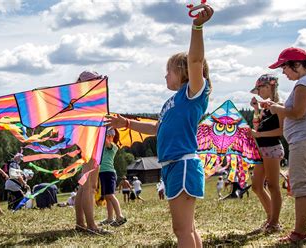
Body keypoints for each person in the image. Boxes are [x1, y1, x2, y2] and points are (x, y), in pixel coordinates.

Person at [106, 5, 213, 247]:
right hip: (174, 165)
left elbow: (196, 59)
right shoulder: (173, 101)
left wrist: (197, 27)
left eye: (168, 71)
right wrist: (127, 123)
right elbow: (157, 129)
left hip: (183, 163)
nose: (165, 76)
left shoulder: (193, 93)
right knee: (188, 228)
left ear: (183, 72)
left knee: (182, 229)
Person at [267, 47, 306, 242]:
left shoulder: (304, 83)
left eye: (284, 67)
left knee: (302, 187)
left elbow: (298, 112)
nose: (283, 72)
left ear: (296, 65)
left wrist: (278, 108)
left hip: (305, 141)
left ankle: (299, 233)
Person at [74, 71, 111, 235]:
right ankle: (91, 226)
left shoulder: (80, 102)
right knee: (90, 186)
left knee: (84, 185)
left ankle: (81, 223)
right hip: (90, 143)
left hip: (86, 143)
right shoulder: (86, 102)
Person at [249, 74, 284, 233]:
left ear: (269, 87)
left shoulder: (280, 106)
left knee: (273, 186)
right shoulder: (265, 107)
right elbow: (256, 125)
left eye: (260, 88)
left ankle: (274, 222)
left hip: (272, 148)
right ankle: (271, 219)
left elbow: (281, 131)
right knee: (256, 186)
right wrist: (256, 110)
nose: (258, 92)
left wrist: (259, 135)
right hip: (262, 149)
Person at [98, 128, 127, 227]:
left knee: (110, 195)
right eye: (107, 135)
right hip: (102, 173)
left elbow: (105, 141)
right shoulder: (104, 148)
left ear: (112, 137)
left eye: (109, 136)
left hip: (109, 173)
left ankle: (119, 216)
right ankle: (110, 218)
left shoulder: (113, 146)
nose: (108, 137)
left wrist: (101, 130)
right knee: (107, 196)